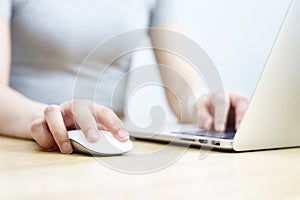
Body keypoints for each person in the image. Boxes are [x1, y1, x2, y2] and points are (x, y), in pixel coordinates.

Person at [0, 0, 249, 154]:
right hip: (26, 147)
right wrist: (50, 118)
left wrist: (205, 106)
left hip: (111, 146)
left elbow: (183, 92)